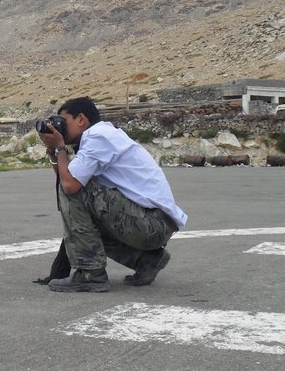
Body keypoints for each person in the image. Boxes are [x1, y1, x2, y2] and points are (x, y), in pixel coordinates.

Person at [38, 96, 187, 293]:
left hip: (151, 223)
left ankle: (91, 274)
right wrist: (53, 150)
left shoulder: (98, 137)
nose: (60, 128)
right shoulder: (100, 136)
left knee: (78, 190)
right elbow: (65, 178)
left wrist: (60, 147)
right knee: (85, 212)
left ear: (81, 119)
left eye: (63, 122)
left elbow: (69, 187)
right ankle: (146, 261)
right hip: (153, 224)